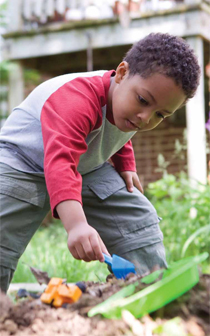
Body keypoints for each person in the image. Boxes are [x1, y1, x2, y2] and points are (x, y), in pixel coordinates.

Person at [0, 33, 200, 293]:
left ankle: (148, 288)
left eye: (161, 114)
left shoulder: (130, 105)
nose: (145, 118)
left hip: (84, 166)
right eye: (143, 101)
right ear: (122, 72)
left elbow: (119, 129)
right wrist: (77, 225)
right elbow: (61, 162)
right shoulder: (76, 99)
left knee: (135, 218)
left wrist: (126, 163)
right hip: (21, 162)